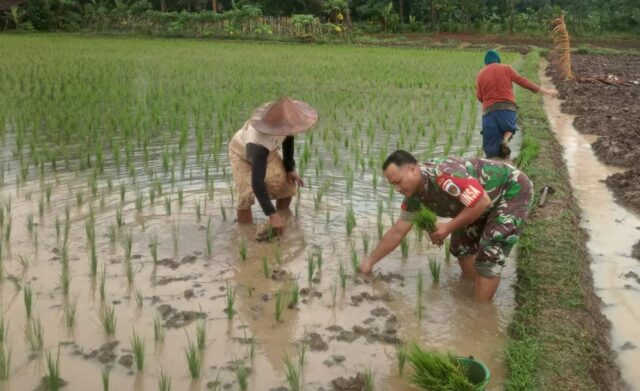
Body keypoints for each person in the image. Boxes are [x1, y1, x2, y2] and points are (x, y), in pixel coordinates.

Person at [360, 150, 533, 301]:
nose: (397, 189)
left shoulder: (443, 175)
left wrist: (447, 228)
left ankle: (480, 310)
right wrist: (370, 262)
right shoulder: (413, 196)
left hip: (510, 190)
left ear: (413, 169)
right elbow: (398, 231)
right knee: (461, 248)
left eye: (398, 182)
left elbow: (481, 201)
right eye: (392, 185)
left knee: (490, 255)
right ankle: (474, 295)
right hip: (476, 203)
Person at [228, 97, 318, 234]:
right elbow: (257, 183)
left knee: (286, 185)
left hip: (269, 151)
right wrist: (271, 214)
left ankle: (282, 219)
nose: (291, 130)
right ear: (276, 127)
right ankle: (246, 236)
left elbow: (288, 139)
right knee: (246, 196)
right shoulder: (258, 142)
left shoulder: (286, 123)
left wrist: (290, 168)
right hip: (241, 153)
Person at [476, 49, 557, 159]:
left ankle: (492, 168)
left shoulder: (480, 74)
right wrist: (545, 91)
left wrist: (489, 101)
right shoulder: (506, 68)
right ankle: (505, 141)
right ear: (498, 60)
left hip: (488, 112)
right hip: (507, 108)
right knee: (509, 128)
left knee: (490, 149)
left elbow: (480, 97)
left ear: (486, 62)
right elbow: (522, 81)